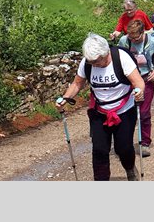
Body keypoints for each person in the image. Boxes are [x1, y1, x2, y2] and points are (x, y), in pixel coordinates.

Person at [57, 32, 145, 181]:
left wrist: (139, 92)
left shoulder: (121, 58)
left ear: (106, 53)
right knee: (99, 150)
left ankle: (130, 169)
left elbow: (138, 82)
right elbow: (77, 83)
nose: (94, 65)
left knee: (123, 148)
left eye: (97, 61)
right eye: (92, 62)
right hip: (99, 112)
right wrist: (66, 97)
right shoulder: (87, 63)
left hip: (124, 111)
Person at [117, 19, 154, 157]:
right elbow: (117, 56)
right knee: (127, 111)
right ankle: (126, 142)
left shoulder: (151, 41)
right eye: (131, 37)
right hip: (128, 81)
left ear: (142, 33)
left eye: (136, 37)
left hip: (146, 79)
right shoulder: (124, 41)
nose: (133, 40)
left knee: (144, 112)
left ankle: (145, 142)